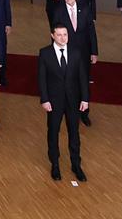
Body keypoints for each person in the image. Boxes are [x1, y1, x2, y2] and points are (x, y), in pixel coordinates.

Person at [37, 25, 88, 181]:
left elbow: (82, 78)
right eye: (59, 35)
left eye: (65, 34)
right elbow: (42, 79)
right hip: (53, 101)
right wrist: (44, 99)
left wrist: (85, 99)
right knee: (53, 132)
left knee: (74, 133)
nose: (63, 38)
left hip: (73, 101)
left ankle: (76, 164)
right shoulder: (45, 53)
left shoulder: (76, 52)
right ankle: (55, 165)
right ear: (52, 35)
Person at [51, 0, 97, 125]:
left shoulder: (85, 9)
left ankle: (84, 113)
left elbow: (91, 32)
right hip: (67, 53)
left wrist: (94, 52)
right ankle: (72, 112)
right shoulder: (58, 11)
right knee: (70, 83)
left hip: (83, 53)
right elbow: (55, 34)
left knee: (84, 81)